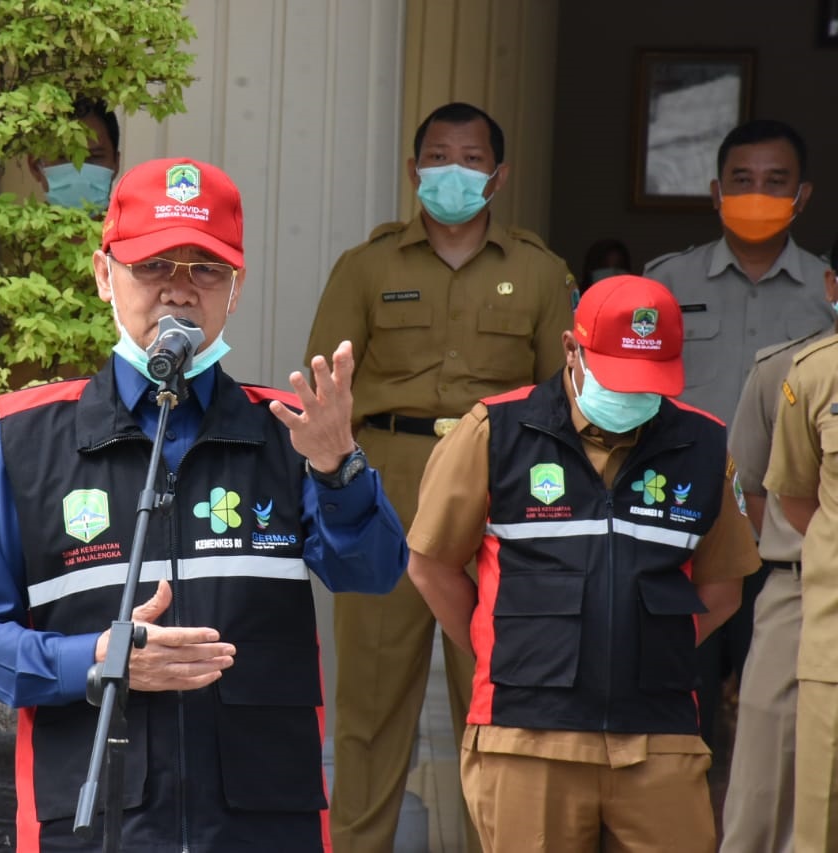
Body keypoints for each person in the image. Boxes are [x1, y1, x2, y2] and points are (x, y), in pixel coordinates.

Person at [0, 157, 411, 852]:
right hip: (98, 826)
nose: (180, 292)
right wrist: (98, 657)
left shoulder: (289, 433)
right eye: (154, 265)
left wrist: (338, 468)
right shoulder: (28, 440)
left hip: (260, 825)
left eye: (206, 270)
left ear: (236, 289)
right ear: (105, 275)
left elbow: (373, 572)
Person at [407, 274, 759, 852]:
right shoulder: (496, 431)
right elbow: (431, 563)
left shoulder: (703, 444)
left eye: (651, 382)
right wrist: (507, 643)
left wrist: (648, 644)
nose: (634, 396)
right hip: (526, 734)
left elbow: (724, 585)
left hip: (659, 736)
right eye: (620, 376)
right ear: (572, 349)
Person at [304, 100, 574, 852]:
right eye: (439, 157)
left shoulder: (540, 271)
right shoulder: (368, 266)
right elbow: (324, 394)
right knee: (370, 704)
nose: (453, 171)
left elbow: (566, 406)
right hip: (385, 489)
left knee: (498, 698)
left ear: (500, 174)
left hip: (498, 496)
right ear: (414, 169)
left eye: (473, 158)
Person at [643, 118, 832, 746]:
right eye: (741, 180)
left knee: (778, 712)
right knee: (673, 698)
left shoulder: (828, 295)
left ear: (802, 195)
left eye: (775, 181)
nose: (757, 193)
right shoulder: (666, 283)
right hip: (677, 522)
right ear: (716, 191)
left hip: (786, 530)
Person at [0, 99, 122, 563]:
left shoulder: (133, 261)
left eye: (93, 157)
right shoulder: (1, 257)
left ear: (116, 162)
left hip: (115, 469)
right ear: (36, 165)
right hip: (22, 467)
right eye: (61, 157)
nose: (79, 169)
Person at [718, 240, 838, 852]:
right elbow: (760, 492)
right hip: (802, 585)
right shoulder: (788, 371)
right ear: (831, 287)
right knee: (766, 791)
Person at [762, 252, 838, 853]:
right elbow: (795, 500)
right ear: (832, 285)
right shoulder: (812, 374)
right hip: (833, 643)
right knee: (821, 819)